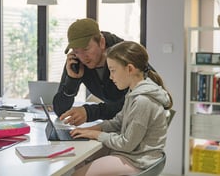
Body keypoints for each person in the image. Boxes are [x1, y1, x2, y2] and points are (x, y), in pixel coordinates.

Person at [70, 41, 173, 176]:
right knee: (81, 160)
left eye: (113, 71)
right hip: (133, 155)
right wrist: (89, 130)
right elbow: (118, 122)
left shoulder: (143, 101)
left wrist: (96, 135)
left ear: (130, 69)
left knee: (76, 174)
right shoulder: (134, 93)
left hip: (138, 160)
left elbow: (127, 144)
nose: (110, 77)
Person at [53, 18, 128, 126]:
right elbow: (60, 110)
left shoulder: (124, 53)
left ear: (101, 42)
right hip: (115, 125)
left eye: (86, 49)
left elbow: (133, 105)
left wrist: (90, 112)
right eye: (76, 51)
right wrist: (71, 81)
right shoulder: (76, 60)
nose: (83, 57)